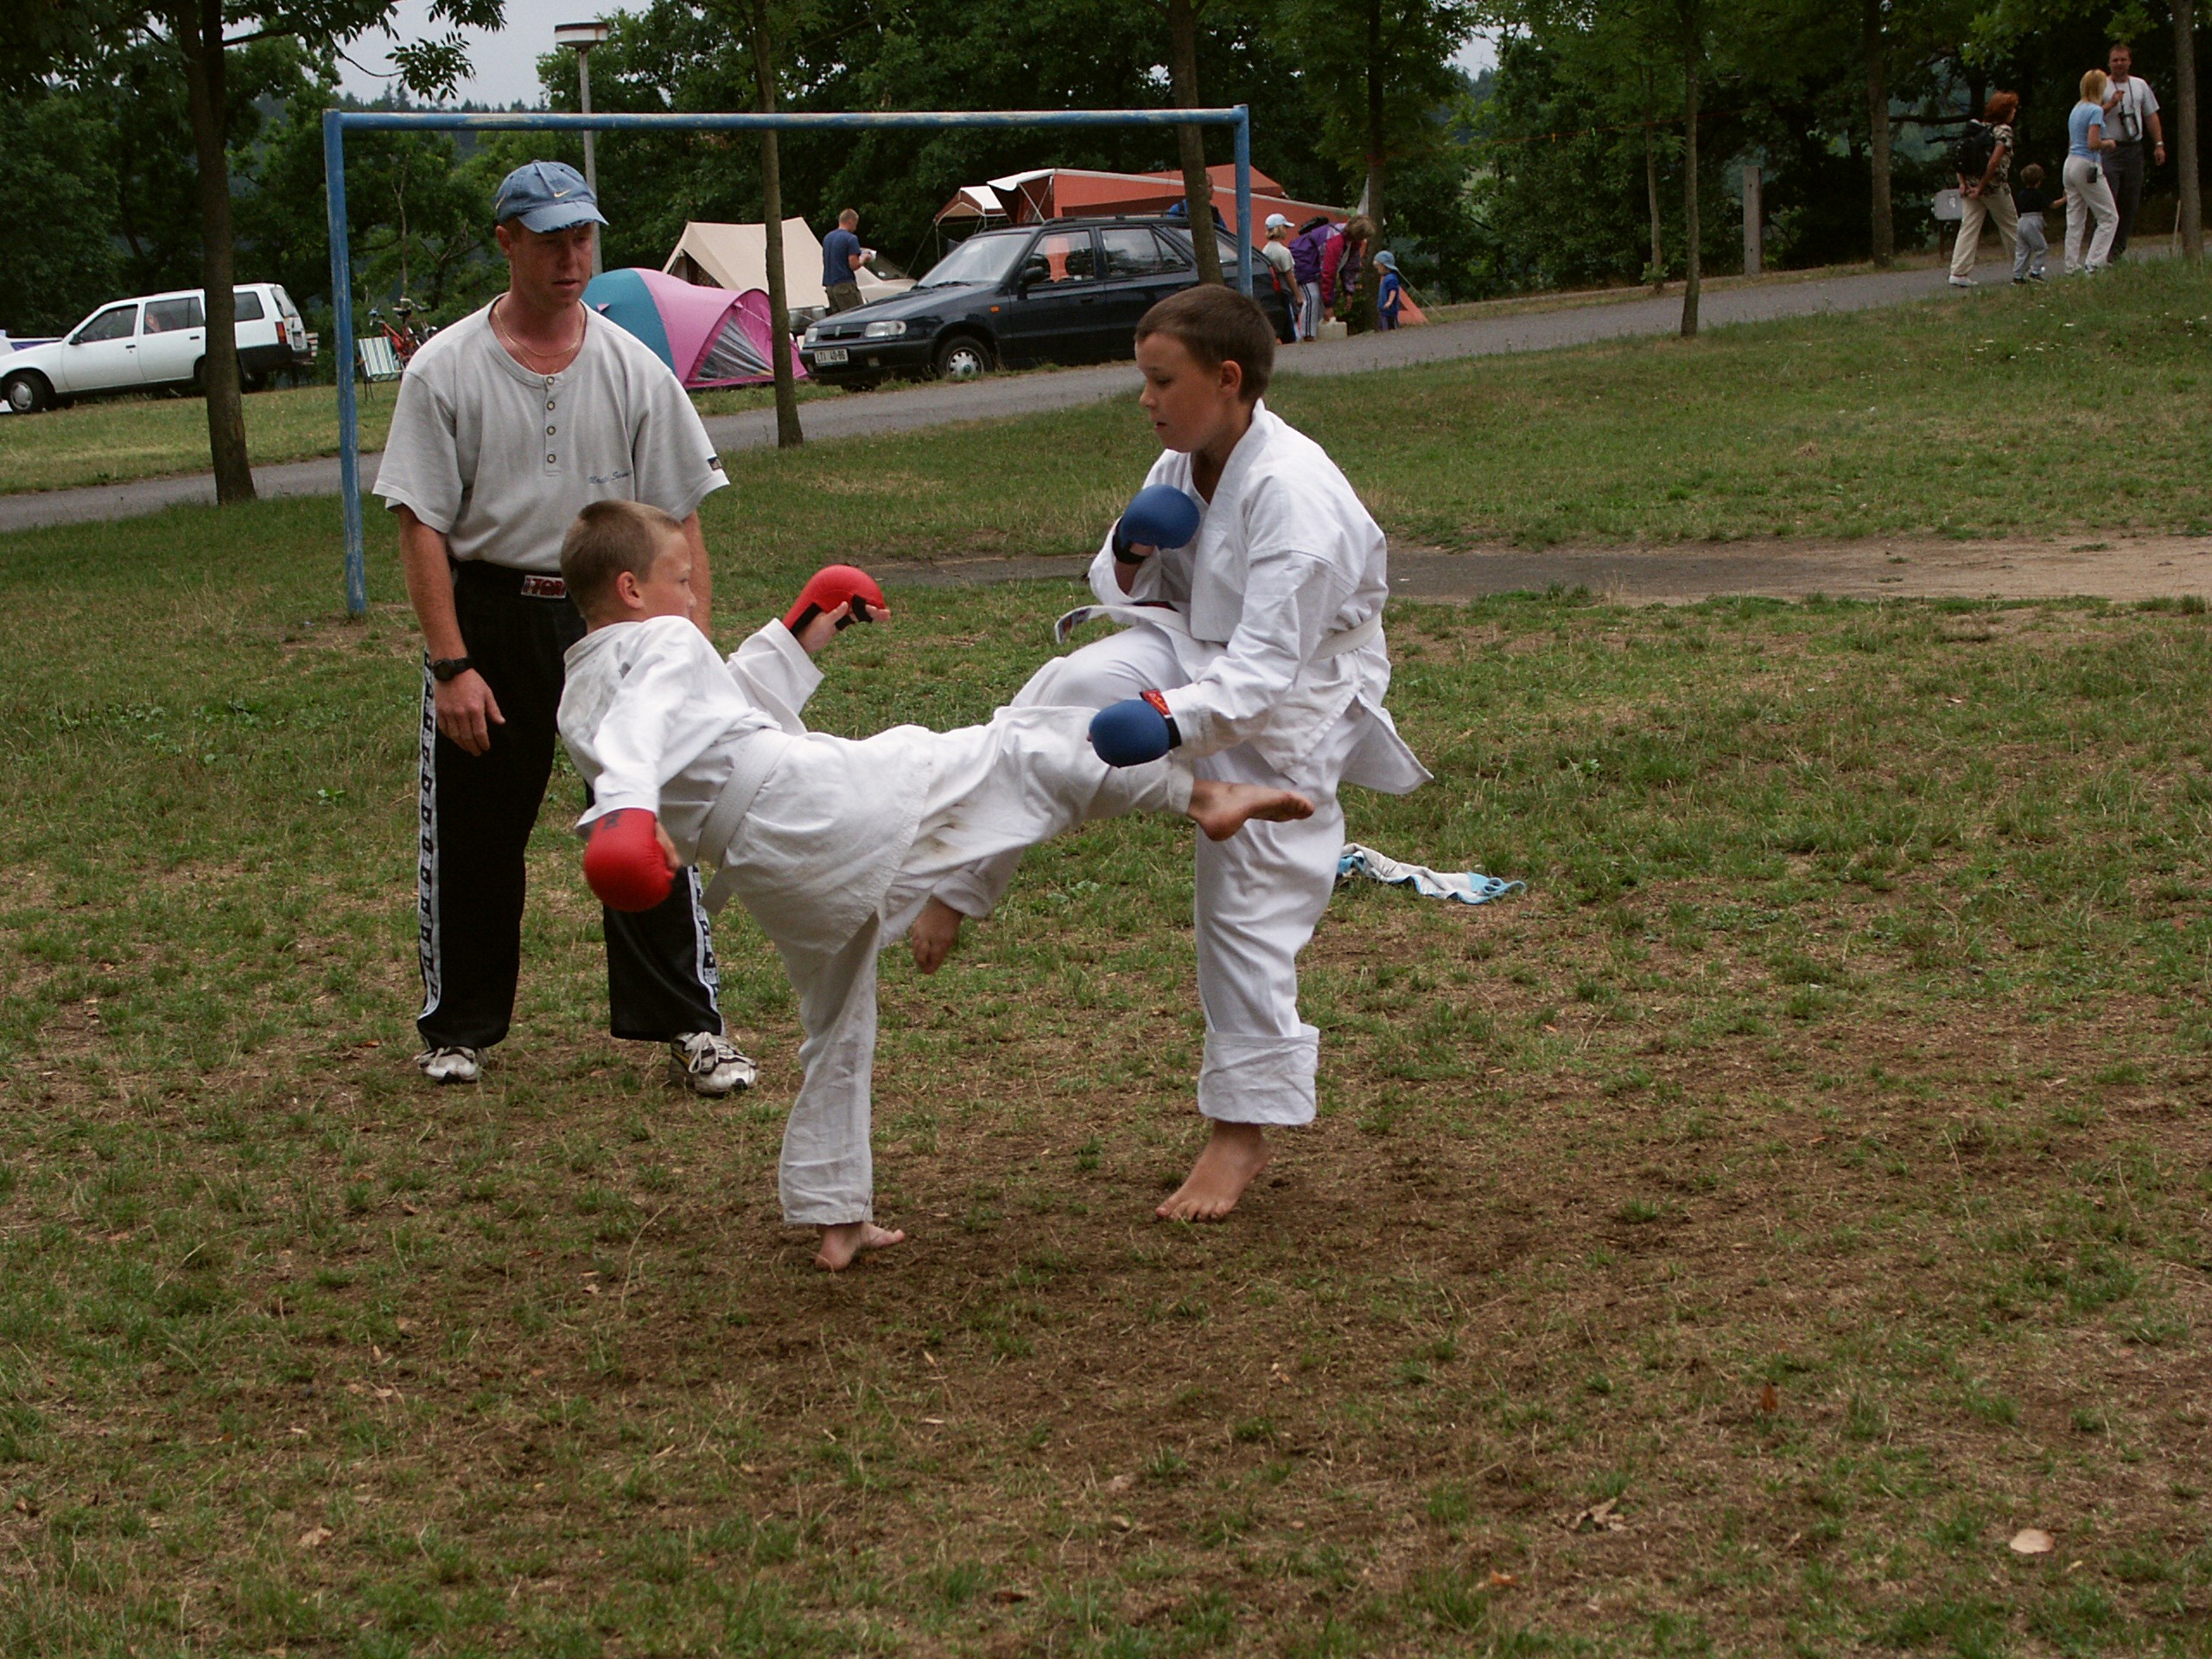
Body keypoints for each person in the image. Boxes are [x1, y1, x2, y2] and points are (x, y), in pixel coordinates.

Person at [553, 501, 1315, 1268]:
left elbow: (705, 717)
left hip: (768, 870)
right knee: (1014, 748)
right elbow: (646, 725)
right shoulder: (662, 642)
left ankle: (835, 1212)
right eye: (682, 579)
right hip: (811, 804)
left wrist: (797, 632)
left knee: (836, 1025)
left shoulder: (581, 692)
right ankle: (1199, 796)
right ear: (631, 589)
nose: (693, 596)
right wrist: (627, 810)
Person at [911, 286, 1431, 1224]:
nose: (1146, 400)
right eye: (1143, 380)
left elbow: (1262, 679)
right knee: (1062, 693)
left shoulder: (1296, 500)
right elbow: (1128, 588)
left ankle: (1242, 1130)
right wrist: (1127, 549)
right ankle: (960, 877)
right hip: (1196, 648)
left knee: (1249, 897)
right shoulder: (1187, 456)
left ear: (1227, 379)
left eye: (1162, 381)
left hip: (1297, 692)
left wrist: (1162, 724)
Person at [372, 160, 754, 1096]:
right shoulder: (444, 369)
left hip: (619, 623)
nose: (571, 257)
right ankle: (458, 1028)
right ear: (507, 242)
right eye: (549, 240)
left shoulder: (634, 368)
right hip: (491, 618)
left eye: (582, 237)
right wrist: (451, 664)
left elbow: (679, 518)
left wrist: (688, 650)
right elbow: (420, 523)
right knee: (476, 835)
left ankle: (692, 1026)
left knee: (644, 819)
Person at [2100, 42, 2165, 259]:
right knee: (2108, 200)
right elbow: (2090, 114)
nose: (2119, 64)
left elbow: (2150, 115)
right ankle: (2100, 251)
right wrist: (2111, 104)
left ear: (2130, 62)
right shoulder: (2102, 85)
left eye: (2123, 60)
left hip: (2134, 149)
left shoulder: (2139, 85)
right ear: (2109, 63)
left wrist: (2158, 144)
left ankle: (2117, 252)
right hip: (2109, 148)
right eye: (2115, 60)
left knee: (2130, 201)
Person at [1948, 93, 2019, 289]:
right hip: (1992, 187)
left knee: (1969, 226)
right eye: (2012, 109)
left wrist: (1963, 183)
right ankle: (2022, 267)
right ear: (2005, 112)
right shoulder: (2003, 131)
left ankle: (1959, 271)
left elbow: (1959, 156)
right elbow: (1994, 161)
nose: (2015, 112)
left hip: (1970, 185)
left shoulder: (1977, 128)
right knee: (2011, 226)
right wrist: (1981, 187)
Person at [2064, 70, 2121, 275]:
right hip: (2087, 164)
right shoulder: (2095, 111)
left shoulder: (2077, 108)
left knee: (2075, 218)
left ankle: (2071, 265)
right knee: (2109, 217)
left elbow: (2073, 140)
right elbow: (2093, 143)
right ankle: (2095, 262)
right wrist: (2109, 143)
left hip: (2070, 163)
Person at [1287, 217, 1333, 341]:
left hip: (1307, 274)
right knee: (1312, 298)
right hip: (1308, 276)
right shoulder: (1315, 240)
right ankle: (1309, 333)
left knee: (1315, 299)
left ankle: (1313, 333)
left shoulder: (1300, 242)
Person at [1324, 216, 1373, 324]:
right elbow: (1328, 272)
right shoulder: (1336, 240)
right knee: (1314, 303)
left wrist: (1348, 292)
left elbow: (1351, 268)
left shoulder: (1353, 244)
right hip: (1311, 274)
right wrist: (1328, 304)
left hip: (1325, 278)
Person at [822, 209, 870, 315]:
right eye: (855, 224)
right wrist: (864, 259)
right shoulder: (851, 238)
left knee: (839, 319)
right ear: (850, 221)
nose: (855, 228)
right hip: (845, 285)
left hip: (830, 286)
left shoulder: (827, 238)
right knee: (857, 315)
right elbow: (853, 265)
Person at [2012, 163, 2053, 283]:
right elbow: (2052, 205)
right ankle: (2035, 271)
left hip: (2021, 221)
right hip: (2033, 221)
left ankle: (2018, 275)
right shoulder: (2038, 194)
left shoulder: (2021, 194)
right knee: (2041, 248)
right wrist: (2065, 199)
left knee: (2022, 250)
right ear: (2039, 181)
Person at [1260, 213, 1297, 297]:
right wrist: (1298, 296)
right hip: (1286, 291)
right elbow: (1289, 276)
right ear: (1280, 229)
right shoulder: (1283, 251)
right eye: (1285, 227)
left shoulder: (1266, 249)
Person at [1374, 251, 1404, 330]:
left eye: (1378, 266)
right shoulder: (1386, 278)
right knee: (1383, 329)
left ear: (1384, 266)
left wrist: (1389, 301)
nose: (1378, 269)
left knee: (1391, 329)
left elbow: (1393, 290)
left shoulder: (1391, 278)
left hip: (1389, 312)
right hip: (1383, 311)